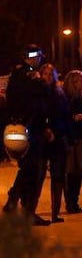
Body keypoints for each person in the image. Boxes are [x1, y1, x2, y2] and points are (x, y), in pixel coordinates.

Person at [2, 44, 54, 226]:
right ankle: (24, 209)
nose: (40, 60)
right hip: (30, 129)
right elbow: (44, 92)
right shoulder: (29, 74)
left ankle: (14, 203)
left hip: (22, 127)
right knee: (32, 170)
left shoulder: (16, 75)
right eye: (38, 56)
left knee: (27, 169)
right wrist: (42, 81)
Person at [39, 63, 71, 223]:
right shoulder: (38, 94)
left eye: (50, 74)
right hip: (42, 139)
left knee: (58, 177)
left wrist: (66, 137)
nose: (47, 77)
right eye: (45, 74)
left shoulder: (60, 95)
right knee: (38, 175)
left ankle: (55, 212)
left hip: (58, 139)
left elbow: (65, 117)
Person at [63, 70, 82, 214]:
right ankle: (70, 202)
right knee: (70, 171)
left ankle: (75, 200)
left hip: (81, 136)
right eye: (81, 80)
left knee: (78, 171)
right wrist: (74, 118)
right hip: (70, 137)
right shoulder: (67, 98)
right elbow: (64, 117)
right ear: (74, 82)